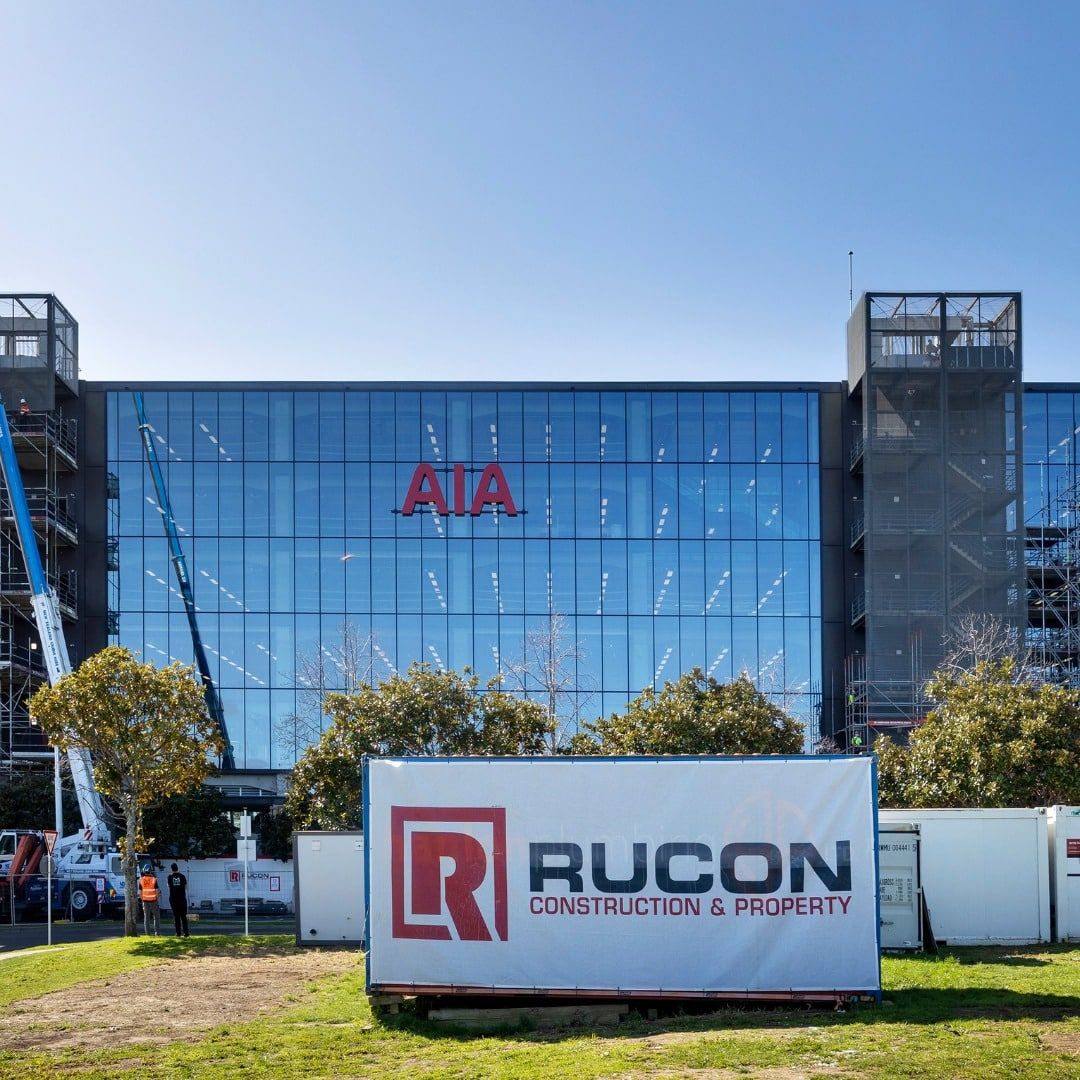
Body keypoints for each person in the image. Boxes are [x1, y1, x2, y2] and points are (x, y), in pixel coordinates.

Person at [167, 862, 190, 937]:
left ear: (172, 869)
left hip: (173, 899)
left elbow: (168, 886)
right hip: (182, 899)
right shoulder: (182, 876)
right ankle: (186, 933)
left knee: (176, 917)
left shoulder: (169, 877)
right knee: (183, 916)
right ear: (177, 868)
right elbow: (186, 887)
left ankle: (178, 933)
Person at [139, 863, 161, 936]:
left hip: (145, 901)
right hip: (153, 900)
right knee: (156, 917)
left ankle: (148, 934)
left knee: (146, 918)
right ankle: (157, 933)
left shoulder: (141, 880)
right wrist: (157, 898)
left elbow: (140, 892)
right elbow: (157, 891)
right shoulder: (154, 880)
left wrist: (142, 899)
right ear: (151, 871)